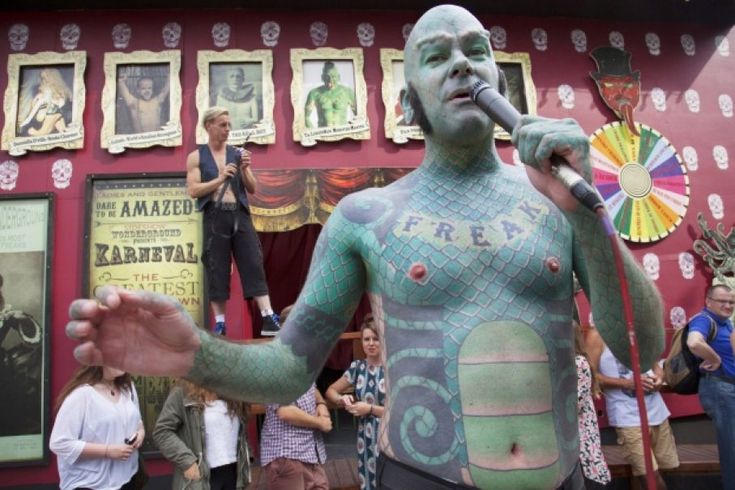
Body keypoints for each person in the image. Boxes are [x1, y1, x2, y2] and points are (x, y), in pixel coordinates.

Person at [66, 5, 664, 489]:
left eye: (476, 51)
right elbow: (286, 371)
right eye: (437, 57)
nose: (462, 64)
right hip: (421, 477)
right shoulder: (365, 218)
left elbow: (646, 346)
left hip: (562, 479)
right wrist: (194, 354)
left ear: (499, 81)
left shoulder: (559, 201)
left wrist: (586, 215)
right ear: (409, 106)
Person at [185, 106, 280, 336]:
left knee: (253, 262)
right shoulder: (196, 156)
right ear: (209, 126)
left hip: (239, 213)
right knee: (216, 266)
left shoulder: (236, 153)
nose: (228, 129)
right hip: (215, 215)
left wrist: (245, 169)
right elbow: (193, 190)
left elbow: (252, 188)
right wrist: (219, 179)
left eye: (229, 125)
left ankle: (268, 316)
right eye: (223, 124)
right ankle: (220, 323)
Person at [587, 327, 678, 490]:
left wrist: (659, 377)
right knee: (650, 477)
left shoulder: (638, 329)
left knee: (660, 471)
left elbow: (655, 364)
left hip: (657, 412)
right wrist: (627, 383)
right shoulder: (598, 334)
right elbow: (589, 375)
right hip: (627, 417)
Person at [49, 365, 145, 490]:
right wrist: (107, 451)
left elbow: (137, 420)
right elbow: (59, 443)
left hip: (128, 477)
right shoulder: (81, 395)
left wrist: (141, 432)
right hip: (90, 483)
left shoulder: (128, 388)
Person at [153, 379, 251, 490]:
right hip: (201, 477)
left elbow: (238, 433)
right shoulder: (183, 391)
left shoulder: (231, 390)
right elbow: (162, 432)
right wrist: (187, 461)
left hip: (232, 473)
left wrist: (248, 458)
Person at [326, 313, 385, 490]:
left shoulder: (393, 368)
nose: (371, 343)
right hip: (365, 436)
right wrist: (341, 399)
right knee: (368, 480)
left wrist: (370, 408)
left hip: (388, 435)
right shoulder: (357, 367)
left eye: (376, 338)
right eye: (366, 339)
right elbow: (330, 391)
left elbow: (399, 410)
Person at [686, 284, 735, 490]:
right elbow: (694, 342)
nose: (727, 305)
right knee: (731, 450)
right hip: (720, 389)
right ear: (708, 301)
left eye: (731, 302)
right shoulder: (704, 319)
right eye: (722, 301)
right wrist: (714, 358)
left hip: (727, 389)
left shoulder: (726, 324)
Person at [573, 323, 611, 488]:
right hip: (573, 436)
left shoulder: (579, 362)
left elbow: (576, 403)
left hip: (582, 433)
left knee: (589, 473)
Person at [18, 68, 72, 137]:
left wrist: (53, 102)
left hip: (55, 114)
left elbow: (63, 102)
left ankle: (61, 129)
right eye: (43, 78)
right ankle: (62, 129)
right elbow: (40, 103)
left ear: (52, 77)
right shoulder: (44, 91)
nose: (44, 80)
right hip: (47, 115)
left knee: (57, 117)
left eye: (46, 77)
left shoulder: (62, 91)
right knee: (55, 117)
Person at [304, 61, 357, 128]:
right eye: (327, 77)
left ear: (339, 77)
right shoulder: (314, 93)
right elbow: (305, 117)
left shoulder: (347, 92)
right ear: (322, 77)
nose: (330, 80)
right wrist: (313, 134)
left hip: (343, 133)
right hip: (323, 134)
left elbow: (359, 116)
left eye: (333, 76)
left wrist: (352, 129)